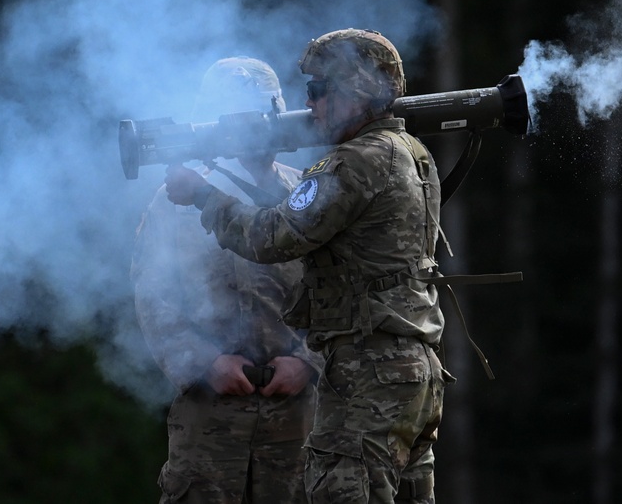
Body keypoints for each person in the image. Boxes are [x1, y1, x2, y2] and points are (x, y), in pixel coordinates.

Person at [164, 29, 448, 504]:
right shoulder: (413, 155)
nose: (309, 105)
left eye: (318, 91)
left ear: (355, 93)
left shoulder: (352, 165)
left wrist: (203, 196)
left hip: (366, 375)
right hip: (413, 370)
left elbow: (271, 236)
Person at [133, 57, 320, 503]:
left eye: (261, 115)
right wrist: (204, 362)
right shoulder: (176, 199)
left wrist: (309, 363)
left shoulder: (311, 194)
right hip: (210, 421)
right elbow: (153, 296)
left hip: (300, 420)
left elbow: (344, 292)